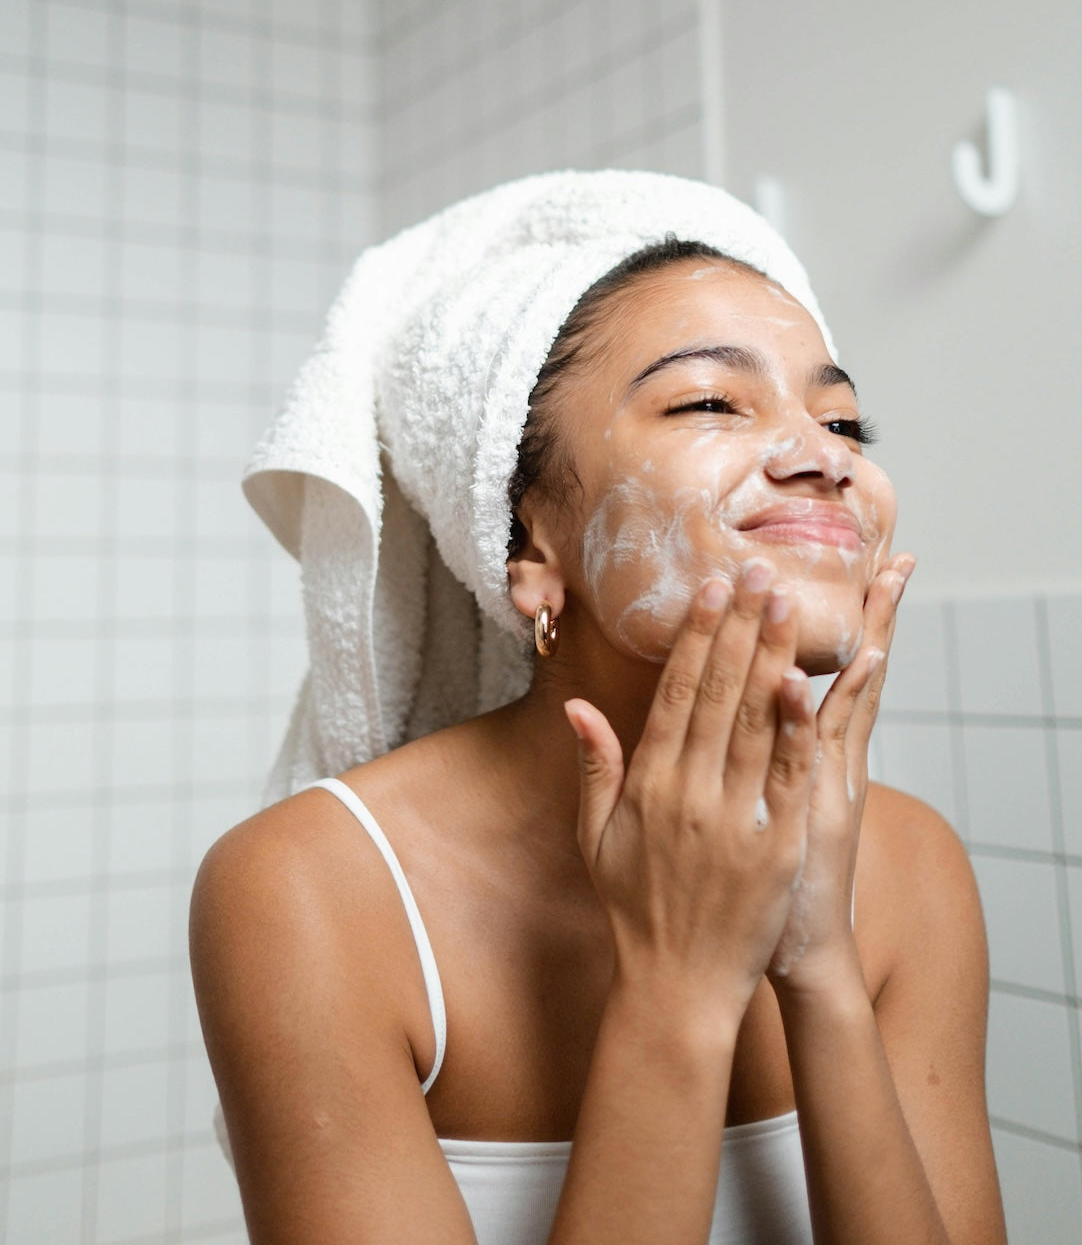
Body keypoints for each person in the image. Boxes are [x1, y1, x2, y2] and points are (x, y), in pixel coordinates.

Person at [189, 171, 1006, 1244]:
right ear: (529, 542)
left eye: (843, 415)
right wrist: (676, 988)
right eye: (711, 400)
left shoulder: (908, 865)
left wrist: (818, 968)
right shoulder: (309, 889)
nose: (825, 454)